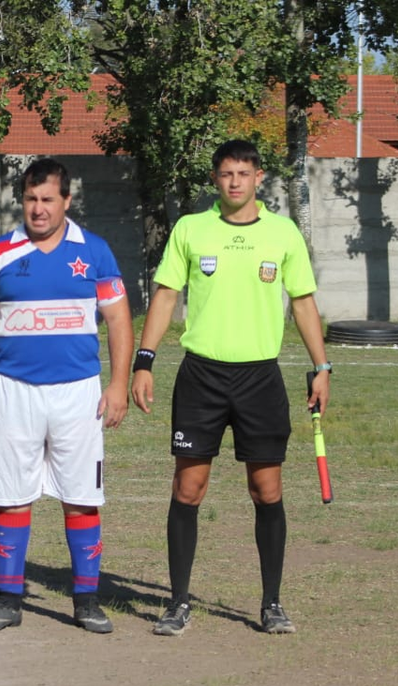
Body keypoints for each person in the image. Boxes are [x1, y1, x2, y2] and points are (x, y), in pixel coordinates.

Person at [131, 139, 332, 636]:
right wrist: (144, 361)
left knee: (267, 490)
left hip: (260, 378)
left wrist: (322, 366)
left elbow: (303, 302)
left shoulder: (283, 233)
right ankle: (178, 602)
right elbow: (166, 295)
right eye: (226, 174)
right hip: (201, 377)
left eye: (244, 173)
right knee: (188, 487)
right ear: (215, 179)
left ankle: (272, 604)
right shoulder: (190, 229)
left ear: (259, 177)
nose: (235, 181)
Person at [0, 158, 132, 634]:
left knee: (81, 498)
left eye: (48, 199)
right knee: (12, 496)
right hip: (14, 390)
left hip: (78, 392)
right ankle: (8, 600)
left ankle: (86, 600)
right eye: (31, 199)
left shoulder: (94, 252)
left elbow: (118, 319)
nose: (38, 209)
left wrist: (118, 383)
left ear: (66, 201)